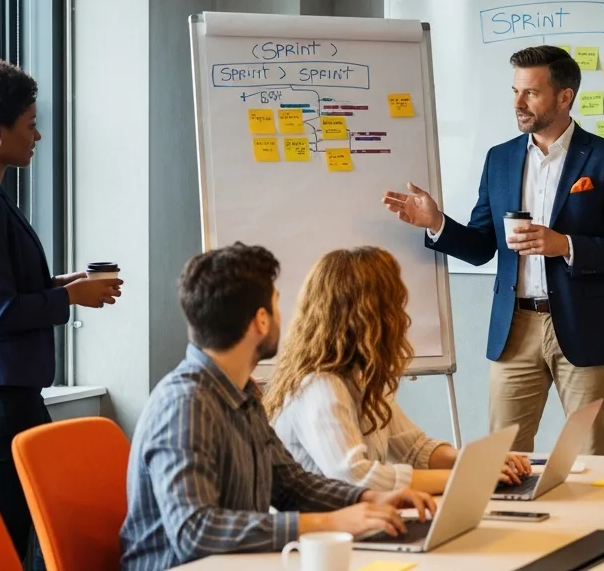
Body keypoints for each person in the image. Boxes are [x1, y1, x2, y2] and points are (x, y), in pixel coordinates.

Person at [382, 45, 604, 456]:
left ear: (564, 97)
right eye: (514, 91)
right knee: (501, 458)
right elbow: (480, 246)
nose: (518, 104)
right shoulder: (500, 159)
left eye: (531, 93)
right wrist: (437, 223)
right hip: (515, 328)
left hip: (586, 326)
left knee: (594, 455)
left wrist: (565, 245)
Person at [120, 243, 436, 570]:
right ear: (261, 320)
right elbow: (196, 531)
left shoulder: (240, 393)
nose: (284, 317)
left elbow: (290, 484)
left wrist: (365, 498)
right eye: (276, 305)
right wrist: (331, 523)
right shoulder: (185, 404)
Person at [0, 59, 122, 565]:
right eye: (29, 123)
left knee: (28, 537)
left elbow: (0, 291)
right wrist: (69, 299)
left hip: (1, 390)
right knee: (10, 545)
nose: (37, 135)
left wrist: (65, 284)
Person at [266, 246, 531, 494]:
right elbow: (356, 478)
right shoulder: (320, 385)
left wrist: (478, 461)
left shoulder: (360, 375)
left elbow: (415, 449)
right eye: (393, 303)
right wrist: (469, 477)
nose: (402, 315)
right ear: (369, 315)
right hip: (323, 536)